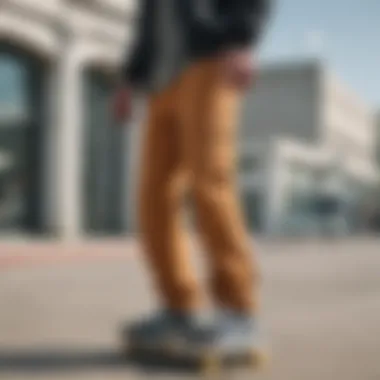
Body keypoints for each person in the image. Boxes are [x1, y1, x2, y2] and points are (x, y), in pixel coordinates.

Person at [113, 0, 272, 351]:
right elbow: (148, 24)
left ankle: (238, 311)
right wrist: (129, 78)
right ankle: (177, 306)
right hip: (159, 80)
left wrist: (241, 40)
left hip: (210, 60)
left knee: (210, 184)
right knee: (153, 197)